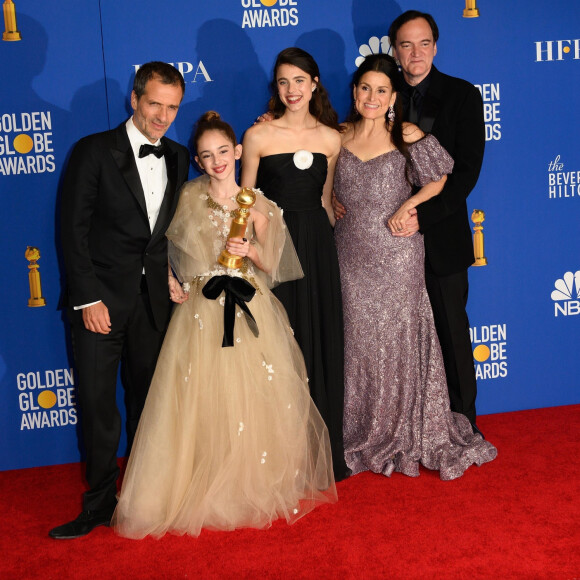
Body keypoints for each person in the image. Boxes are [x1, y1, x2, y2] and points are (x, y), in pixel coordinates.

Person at [112, 112, 336, 538]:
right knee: (200, 399)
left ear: (237, 152)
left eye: (222, 152)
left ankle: (248, 484)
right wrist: (171, 282)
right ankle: (195, 483)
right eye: (206, 155)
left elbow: (274, 265)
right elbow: (164, 250)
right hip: (199, 311)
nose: (216, 161)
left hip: (252, 310)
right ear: (198, 161)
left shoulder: (262, 205)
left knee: (251, 399)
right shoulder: (190, 197)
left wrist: (251, 250)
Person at [333, 53, 496, 480]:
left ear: (392, 97)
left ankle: (406, 427)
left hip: (400, 253)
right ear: (354, 93)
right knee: (359, 341)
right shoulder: (335, 136)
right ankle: (360, 426)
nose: (372, 96)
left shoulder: (406, 133)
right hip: (350, 254)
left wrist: (411, 204)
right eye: (364, 88)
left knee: (400, 339)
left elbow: (442, 176)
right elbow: (318, 184)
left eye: (381, 90)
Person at [51, 62, 190, 539]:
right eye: (154, 104)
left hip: (153, 303)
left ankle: (146, 499)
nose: (163, 116)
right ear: (134, 100)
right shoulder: (93, 151)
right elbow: (73, 231)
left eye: (172, 107)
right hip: (100, 304)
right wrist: (88, 298)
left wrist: (172, 275)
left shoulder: (177, 154)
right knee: (96, 406)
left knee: (149, 405)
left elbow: (166, 232)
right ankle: (98, 504)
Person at [241, 47, 349, 481]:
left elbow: (325, 201)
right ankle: (278, 458)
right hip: (274, 247)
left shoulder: (331, 138)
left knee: (318, 340)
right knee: (279, 344)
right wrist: (248, 259)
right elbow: (245, 204)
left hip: (318, 248)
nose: (292, 90)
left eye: (300, 80)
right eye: (283, 82)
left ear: (315, 83)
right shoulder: (258, 137)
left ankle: (320, 454)